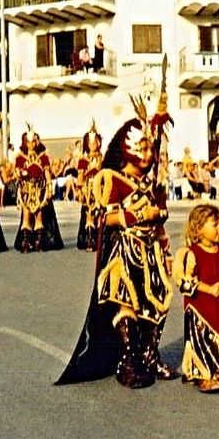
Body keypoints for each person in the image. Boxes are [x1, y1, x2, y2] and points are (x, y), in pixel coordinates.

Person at [56, 93, 176, 388]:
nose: (149, 154)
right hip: (124, 253)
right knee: (127, 304)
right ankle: (127, 359)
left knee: (157, 302)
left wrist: (164, 241)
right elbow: (106, 218)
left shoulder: (149, 183)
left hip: (150, 252)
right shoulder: (111, 178)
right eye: (143, 147)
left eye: (151, 148)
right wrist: (137, 216)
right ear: (129, 148)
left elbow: (158, 219)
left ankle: (149, 353)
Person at [174, 204, 219, 392]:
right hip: (200, 308)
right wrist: (207, 288)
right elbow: (183, 281)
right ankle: (203, 375)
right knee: (202, 343)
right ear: (199, 228)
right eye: (214, 225)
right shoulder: (190, 253)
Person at [13, 128, 64, 253]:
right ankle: (26, 241)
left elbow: (47, 173)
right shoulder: (20, 158)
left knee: (39, 215)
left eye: (34, 141)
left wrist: (49, 187)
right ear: (25, 143)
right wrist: (21, 174)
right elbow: (17, 174)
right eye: (29, 142)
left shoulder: (43, 157)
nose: (31, 145)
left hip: (39, 191)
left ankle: (38, 241)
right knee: (26, 216)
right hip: (26, 191)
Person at [76, 122, 103, 251]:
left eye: (95, 142)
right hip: (88, 191)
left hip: (102, 190)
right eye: (90, 143)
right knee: (90, 214)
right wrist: (79, 190)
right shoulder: (83, 160)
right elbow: (80, 176)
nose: (93, 145)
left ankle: (101, 240)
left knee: (101, 214)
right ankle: (90, 240)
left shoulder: (103, 159)